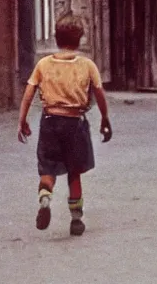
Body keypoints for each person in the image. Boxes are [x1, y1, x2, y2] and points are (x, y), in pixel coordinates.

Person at [17, 14, 112, 236]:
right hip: (75, 123)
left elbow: (28, 94)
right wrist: (105, 119)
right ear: (80, 39)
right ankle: (76, 219)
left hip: (50, 121)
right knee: (74, 172)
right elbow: (99, 95)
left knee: (47, 169)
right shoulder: (87, 66)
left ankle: (45, 198)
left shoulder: (44, 64)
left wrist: (22, 121)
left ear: (56, 38)